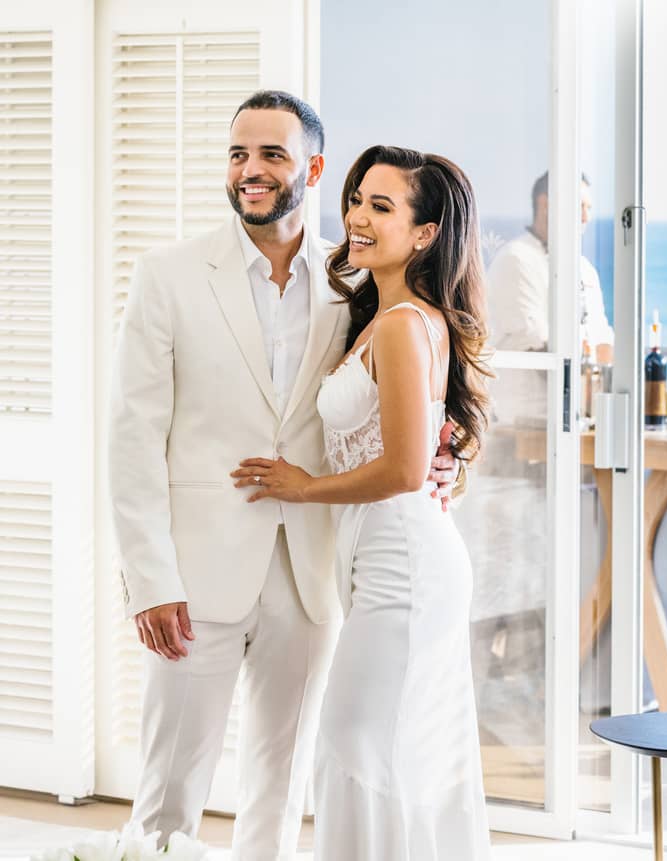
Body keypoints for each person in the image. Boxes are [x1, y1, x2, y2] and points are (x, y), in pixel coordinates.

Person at [109, 91, 460, 857]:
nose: (251, 170)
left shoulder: (356, 284)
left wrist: (445, 451)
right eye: (238, 153)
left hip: (312, 571)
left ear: (314, 167)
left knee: (285, 784)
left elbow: (413, 384)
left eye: (272, 153)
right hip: (193, 576)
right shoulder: (168, 276)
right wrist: (149, 577)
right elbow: (132, 436)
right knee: (170, 789)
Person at [230, 145, 494, 858]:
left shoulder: (406, 326)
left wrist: (302, 486)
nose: (358, 217)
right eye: (355, 200)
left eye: (382, 206)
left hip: (404, 565)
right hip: (384, 558)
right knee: (388, 752)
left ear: (426, 234)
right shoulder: (385, 317)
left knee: (356, 744)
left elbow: (408, 468)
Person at [487, 170, 613, 359]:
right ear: (546, 205)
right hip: (531, 388)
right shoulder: (516, 260)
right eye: (579, 206)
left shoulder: (585, 269)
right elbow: (540, 348)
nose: (586, 218)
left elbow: (603, 338)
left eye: (589, 208)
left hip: (578, 387)